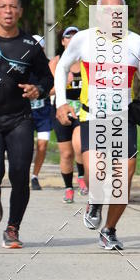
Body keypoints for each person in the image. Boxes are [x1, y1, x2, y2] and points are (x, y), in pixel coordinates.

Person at [54, 0, 140, 250]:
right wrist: (61, 103)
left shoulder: (136, 42)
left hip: (124, 117)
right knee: (97, 171)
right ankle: (95, 200)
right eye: (107, 12)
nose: (113, 17)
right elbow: (61, 67)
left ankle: (109, 230)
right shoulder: (84, 39)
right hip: (93, 115)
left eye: (118, 12)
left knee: (124, 180)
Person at [0, 0, 54, 248]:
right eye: (3, 6)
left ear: (20, 12)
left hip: (20, 119)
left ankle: (13, 228)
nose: (8, 11)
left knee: (19, 174)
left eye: (13, 7)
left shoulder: (30, 46)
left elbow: (46, 77)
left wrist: (37, 89)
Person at [48, 26, 87, 202]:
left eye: (75, 36)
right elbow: (47, 91)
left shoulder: (87, 60)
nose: (71, 39)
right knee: (66, 154)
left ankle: (82, 177)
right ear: (62, 41)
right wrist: (62, 84)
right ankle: (68, 188)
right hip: (61, 111)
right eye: (67, 36)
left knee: (79, 145)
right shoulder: (56, 63)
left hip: (82, 111)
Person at [29, 34, 52, 191]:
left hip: (43, 112)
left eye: (39, 48)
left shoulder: (48, 65)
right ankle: (21, 174)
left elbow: (56, 85)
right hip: (24, 113)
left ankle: (35, 176)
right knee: (24, 147)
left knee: (42, 145)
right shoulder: (21, 65)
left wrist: (40, 91)